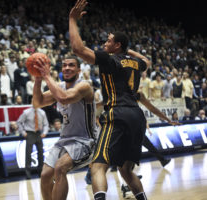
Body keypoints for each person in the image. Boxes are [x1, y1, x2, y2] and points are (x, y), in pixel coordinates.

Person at [69, 1, 151, 199]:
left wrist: (72, 19)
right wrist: (128, 51)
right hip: (137, 117)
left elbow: (78, 48)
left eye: (109, 40)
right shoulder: (135, 63)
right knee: (126, 170)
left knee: (97, 166)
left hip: (118, 114)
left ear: (117, 45)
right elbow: (147, 62)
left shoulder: (109, 59)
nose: (105, 43)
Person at [33, 55, 97, 200]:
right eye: (64, 65)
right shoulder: (59, 87)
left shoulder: (85, 86)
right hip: (65, 140)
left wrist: (47, 76)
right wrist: (38, 80)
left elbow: (65, 98)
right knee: (45, 175)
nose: (67, 68)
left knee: (60, 168)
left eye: (71, 65)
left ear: (79, 70)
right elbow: (37, 102)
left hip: (85, 140)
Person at [17, 104, 49, 179]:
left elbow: (46, 124)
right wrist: (23, 132)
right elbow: (19, 122)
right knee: (28, 154)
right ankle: (28, 174)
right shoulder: (26, 112)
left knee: (41, 154)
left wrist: (45, 132)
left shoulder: (42, 112)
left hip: (38, 134)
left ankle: (41, 172)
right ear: (32, 102)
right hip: (30, 133)